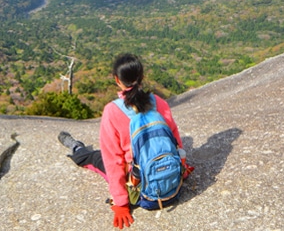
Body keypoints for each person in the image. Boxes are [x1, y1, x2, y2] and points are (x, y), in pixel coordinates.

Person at [58, 53, 188, 229]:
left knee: (95, 157)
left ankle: (76, 147)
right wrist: (182, 169)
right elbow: (175, 140)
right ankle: (76, 146)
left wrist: (121, 203)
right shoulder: (159, 102)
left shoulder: (112, 111)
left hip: (139, 186)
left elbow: (113, 160)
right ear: (142, 77)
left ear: (117, 80)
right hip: (172, 184)